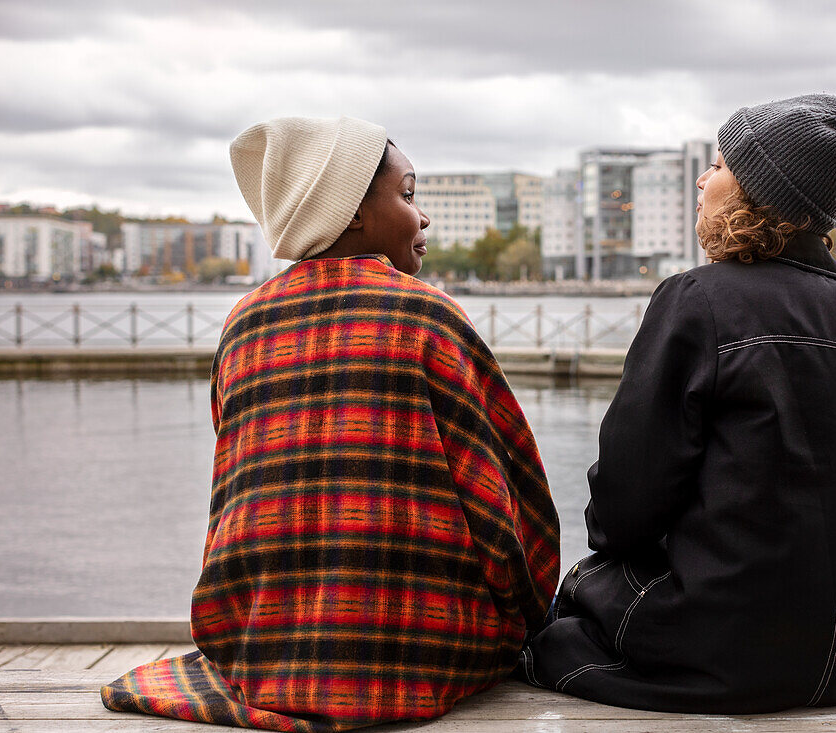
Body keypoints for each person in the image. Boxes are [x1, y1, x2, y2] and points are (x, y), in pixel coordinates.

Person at [102, 116, 560, 731]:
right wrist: (536, 618)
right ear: (350, 213)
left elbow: (232, 496)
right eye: (407, 194)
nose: (423, 217)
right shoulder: (428, 317)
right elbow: (508, 503)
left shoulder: (244, 323)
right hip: (425, 652)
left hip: (263, 650)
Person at [521, 95, 836, 713]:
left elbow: (625, 503)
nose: (702, 178)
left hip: (723, 650)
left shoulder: (699, 300)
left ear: (756, 192)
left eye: (718, 165)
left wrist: (613, 553)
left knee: (567, 609)